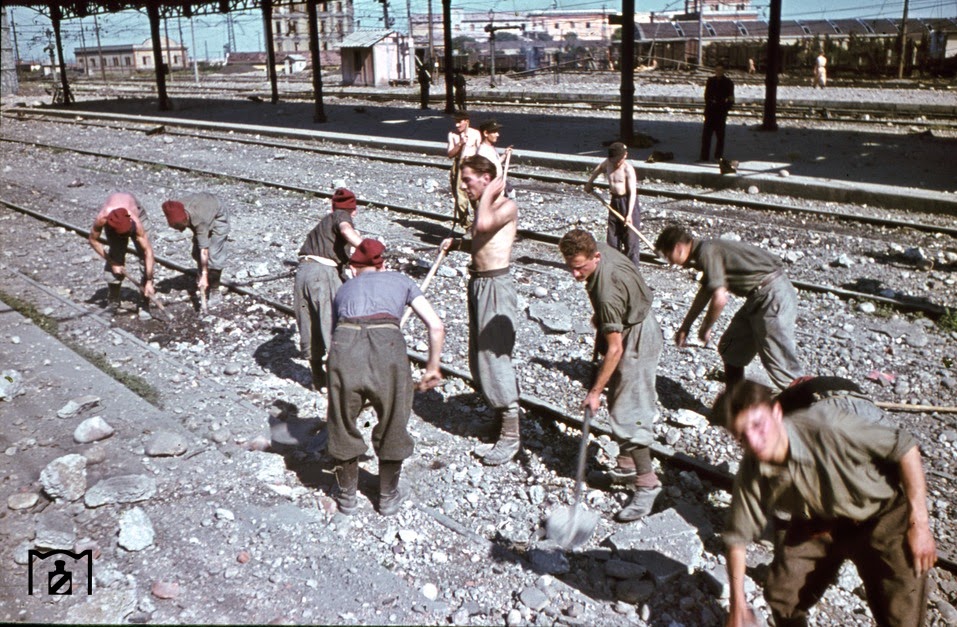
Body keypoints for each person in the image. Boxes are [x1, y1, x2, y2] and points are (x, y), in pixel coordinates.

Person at [714, 380, 936, 627]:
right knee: (783, 595)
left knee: (901, 615)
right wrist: (738, 607)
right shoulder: (753, 467)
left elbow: (905, 447)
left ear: (776, 412)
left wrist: (920, 524)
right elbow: (737, 540)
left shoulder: (828, 426)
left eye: (758, 425)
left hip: (882, 515)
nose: (755, 442)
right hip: (820, 520)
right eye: (742, 436)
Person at [327, 239, 445, 516]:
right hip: (387, 345)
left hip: (345, 344)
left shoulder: (343, 289)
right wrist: (432, 367)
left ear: (355, 268)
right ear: (381, 265)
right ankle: (388, 497)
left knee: (342, 419)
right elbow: (436, 326)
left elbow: (333, 337)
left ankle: (347, 498)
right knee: (393, 418)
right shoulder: (400, 279)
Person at [559, 229, 664, 520]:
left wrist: (593, 392)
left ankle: (646, 483)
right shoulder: (601, 248)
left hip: (637, 337)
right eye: (570, 266)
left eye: (580, 267)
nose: (575, 275)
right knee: (621, 399)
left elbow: (615, 350)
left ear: (595, 256)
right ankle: (628, 467)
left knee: (629, 410)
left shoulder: (606, 292)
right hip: (635, 323)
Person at [441, 155, 521, 466]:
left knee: (494, 356)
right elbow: (481, 238)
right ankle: (498, 418)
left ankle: (512, 434)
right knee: (478, 356)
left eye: (469, 180)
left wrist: (489, 192)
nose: (463, 187)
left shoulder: (505, 206)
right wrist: (458, 244)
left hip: (496, 287)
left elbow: (484, 226)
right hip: (479, 283)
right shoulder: (485, 207)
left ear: (487, 179)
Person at [654, 225, 803, 390]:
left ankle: (812, 405)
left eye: (669, 256)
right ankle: (735, 403)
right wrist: (686, 326)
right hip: (758, 297)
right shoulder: (706, 251)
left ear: (678, 248)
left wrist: (706, 327)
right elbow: (706, 292)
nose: (670, 263)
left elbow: (720, 298)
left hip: (772, 295)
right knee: (731, 349)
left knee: (781, 364)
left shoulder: (706, 251)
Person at [294, 188, 363, 390]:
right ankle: (341, 383)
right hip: (322, 274)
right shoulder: (341, 216)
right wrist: (366, 247)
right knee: (332, 325)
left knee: (310, 325)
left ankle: (318, 378)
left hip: (303, 272)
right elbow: (345, 230)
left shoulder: (323, 225)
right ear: (354, 210)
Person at [88, 192, 156, 311]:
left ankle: (145, 300)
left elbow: (148, 252)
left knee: (143, 257)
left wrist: (149, 280)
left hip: (134, 209)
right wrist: (113, 263)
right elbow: (93, 240)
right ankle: (113, 300)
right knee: (116, 254)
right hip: (113, 222)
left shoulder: (136, 221)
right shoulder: (103, 217)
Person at [162, 193, 230, 307]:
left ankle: (215, 291)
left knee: (213, 256)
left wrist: (203, 274)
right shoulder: (176, 208)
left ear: (186, 219)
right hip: (201, 210)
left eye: (181, 227)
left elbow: (204, 249)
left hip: (217, 213)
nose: (181, 231)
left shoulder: (199, 220)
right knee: (196, 253)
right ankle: (203, 277)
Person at [584, 141, 641, 268]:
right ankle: (614, 265)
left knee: (631, 240)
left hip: (628, 203)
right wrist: (590, 182)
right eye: (614, 160)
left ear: (624, 156)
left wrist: (629, 214)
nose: (616, 163)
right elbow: (599, 169)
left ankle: (632, 269)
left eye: (618, 160)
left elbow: (633, 193)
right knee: (613, 236)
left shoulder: (628, 169)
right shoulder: (609, 162)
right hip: (614, 202)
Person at [446, 111, 482, 230]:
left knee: (476, 196)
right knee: (460, 198)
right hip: (459, 165)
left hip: (472, 164)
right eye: (455, 122)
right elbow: (450, 154)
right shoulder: (452, 134)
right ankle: (467, 225)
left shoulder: (475, 133)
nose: (457, 125)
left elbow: (480, 151)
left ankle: (481, 222)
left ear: (466, 121)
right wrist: (460, 143)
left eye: (459, 122)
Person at [700, 62, 735, 162]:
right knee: (706, 136)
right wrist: (710, 103)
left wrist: (725, 108)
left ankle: (718, 156)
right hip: (710, 112)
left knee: (720, 137)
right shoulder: (710, 81)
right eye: (717, 70)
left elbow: (731, 98)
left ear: (724, 71)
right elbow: (706, 95)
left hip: (720, 113)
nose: (718, 72)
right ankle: (704, 156)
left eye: (720, 70)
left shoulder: (728, 83)